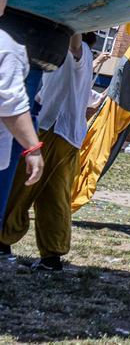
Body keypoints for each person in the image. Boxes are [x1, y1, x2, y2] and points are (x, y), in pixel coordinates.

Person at [0, 28, 93, 271]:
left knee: (23, 186)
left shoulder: (80, 52)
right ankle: (51, 256)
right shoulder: (55, 57)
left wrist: (72, 17)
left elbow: (74, 41)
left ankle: (4, 240)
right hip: (65, 136)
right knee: (51, 196)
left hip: (54, 131)